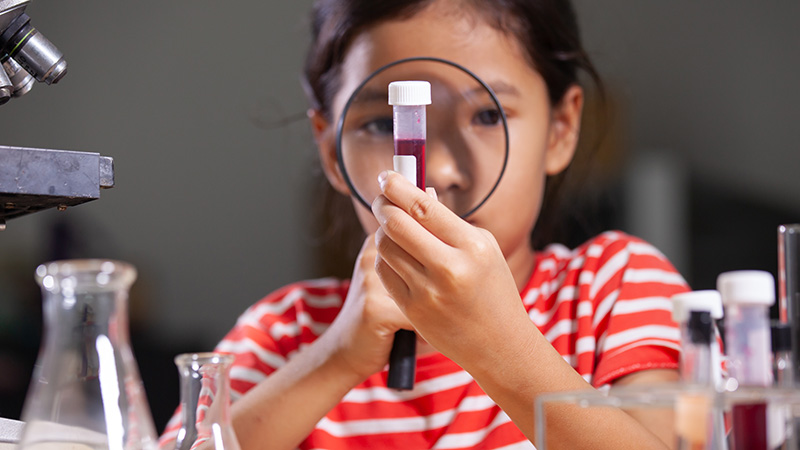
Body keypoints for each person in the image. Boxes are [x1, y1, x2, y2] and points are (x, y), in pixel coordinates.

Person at [161, 0, 689, 448]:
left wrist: (499, 348)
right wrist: (336, 356)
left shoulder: (614, 292)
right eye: (381, 124)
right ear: (329, 149)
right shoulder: (281, 335)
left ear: (561, 129)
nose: (432, 170)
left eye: (486, 116)